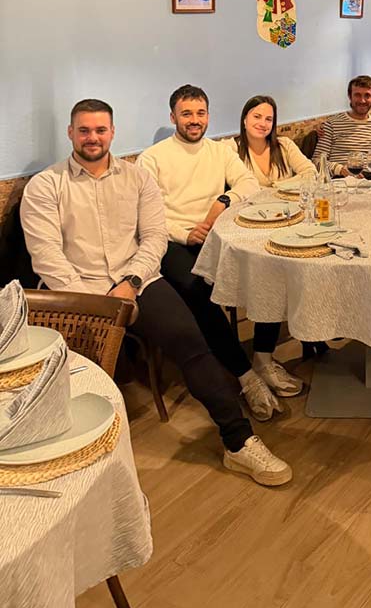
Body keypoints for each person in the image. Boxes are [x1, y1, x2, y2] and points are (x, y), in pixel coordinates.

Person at [20, 99, 291, 486]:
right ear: (71, 133)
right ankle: (74, 464)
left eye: (100, 130)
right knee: (78, 375)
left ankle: (239, 442)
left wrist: (130, 284)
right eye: (84, 130)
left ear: (112, 132)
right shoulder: (46, 186)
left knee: (192, 345)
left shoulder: (136, 179)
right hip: (78, 294)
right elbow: (47, 258)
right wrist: (95, 304)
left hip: (137, 282)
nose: (93, 138)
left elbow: (153, 239)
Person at [138, 85, 282, 421]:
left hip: (217, 234)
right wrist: (185, 233)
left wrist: (224, 200)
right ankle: (246, 376)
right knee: (198, 290)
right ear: (173, 117)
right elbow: (148, 214)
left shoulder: (220, 151)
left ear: (208, 115)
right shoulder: (152, 157)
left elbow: (248, 183)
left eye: (200, 113)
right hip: (171, 241)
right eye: (186, 113)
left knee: (270, 266)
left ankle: (265, 358)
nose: (194, 120)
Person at [222, 94, 316, 396]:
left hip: (288, 223)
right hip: (249, 230)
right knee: (272, 279)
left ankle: (314, 333)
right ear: (244, 118)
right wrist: (279, 190)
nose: (262, 123)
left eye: (268, 119)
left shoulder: (284, 146)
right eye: (257, 117)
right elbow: (237, 191)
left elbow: (310, 173)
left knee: (314, 263)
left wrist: (272, 189)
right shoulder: (229, 149)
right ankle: (263, 357)